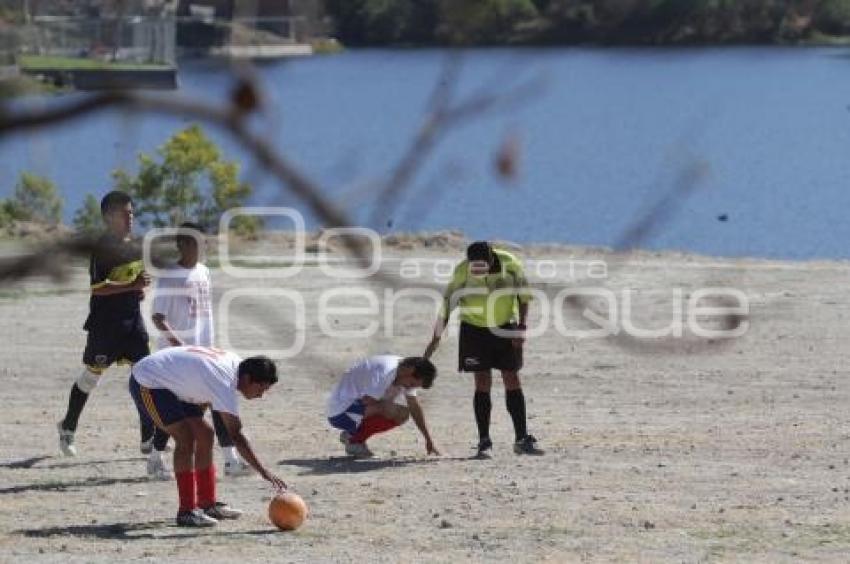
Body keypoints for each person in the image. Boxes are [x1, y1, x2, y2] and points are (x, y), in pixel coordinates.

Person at [57, 191, 166, 457]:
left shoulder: (137, 244)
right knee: (92, 376)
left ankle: (147, 438)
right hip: (105, 325)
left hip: (133, 323)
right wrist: (132, 285)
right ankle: (68, 427)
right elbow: (97, 288)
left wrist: (138, 289)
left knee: (145, 376)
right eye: (124, 213)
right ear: (108, 217)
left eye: (132, 212)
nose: (130, 217)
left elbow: (134, 280)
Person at [129, 345, 286, 527]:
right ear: (248, 378)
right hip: (148, 381)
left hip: (173, 383)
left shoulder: (235, 366)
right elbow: (235, 434)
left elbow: (201, 381)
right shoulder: (225, 381)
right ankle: (186, 511)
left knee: (205, 434)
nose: (261, 396)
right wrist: (263, 471)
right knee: (185, 438)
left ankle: (207, 504)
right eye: (261, 388)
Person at [149, 222, 251, 480]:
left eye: (203, 241)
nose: (201, 247)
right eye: (195, 241)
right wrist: (180, 349)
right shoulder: (169, 276)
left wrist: (208, 346)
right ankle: (155, 458)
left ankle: (230, 459)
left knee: (215, 399)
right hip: (179, 357)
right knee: (177, 409)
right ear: (181, 244)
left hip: (204, 351)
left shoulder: (204, 271)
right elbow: (158, 318)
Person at [423, 241, 543, 458]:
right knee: (482, 381)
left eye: (481, 267)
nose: (477, 271)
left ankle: (522, 438)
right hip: (474, 329)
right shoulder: (462, 271)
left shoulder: (510, 263)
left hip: (506, 326)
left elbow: (524, 297)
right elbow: (448, 303)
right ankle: (484, 441)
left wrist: (522, 327)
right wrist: (436, 337)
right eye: (473, 267)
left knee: (511, 378)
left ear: (491, 259)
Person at [327, 355, 438, 458]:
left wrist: (428, 439)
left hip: (354, 410)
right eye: (412, 384)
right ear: (410, 371)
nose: (409, 387)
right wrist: (391, 395)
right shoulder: (386, 371)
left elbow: (414, 407)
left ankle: (352, 436)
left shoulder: (402, 370)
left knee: (403, 413)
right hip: (340, 412)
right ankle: (354, 440)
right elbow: (368, 401)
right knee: (388, 408)